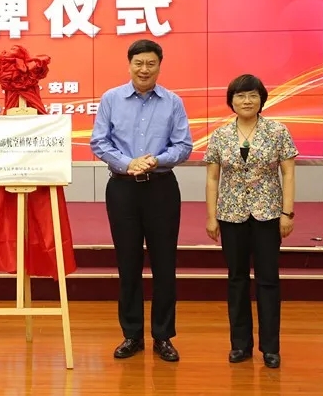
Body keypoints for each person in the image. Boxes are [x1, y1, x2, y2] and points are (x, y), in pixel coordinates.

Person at [89, 39, 194, 361]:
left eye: (150, 64)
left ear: (159, 66)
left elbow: (184, 145)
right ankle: (131, 335)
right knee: (128, 263)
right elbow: (99, 142)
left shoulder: (173, 102)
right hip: (122, 189)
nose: (144, 69)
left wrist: (156, 160)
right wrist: (128, 163)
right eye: (139, 63)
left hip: (161, 188)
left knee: (165, 264)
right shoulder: (111, 99)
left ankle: (163, 336)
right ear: (129, 64)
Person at [203, 74, 298, 369]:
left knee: (268, 280)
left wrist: (287, 213)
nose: (247, 101)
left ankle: (270, 347)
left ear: (262, 99)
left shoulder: (277, 131)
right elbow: (212, 178)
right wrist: (211, 216)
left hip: (268, 214)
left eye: (253, 95)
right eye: (241, 96)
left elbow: (288, 173)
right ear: (231, 101)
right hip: (231, 215)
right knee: (237, 279)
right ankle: (240, 345)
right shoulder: (220, 135)